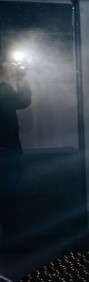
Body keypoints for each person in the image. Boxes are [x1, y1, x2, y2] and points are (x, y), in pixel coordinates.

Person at [0, 58, 31, 252]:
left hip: (11, 149)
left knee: (9, 197)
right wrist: (5, 75)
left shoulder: (5, 87)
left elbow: (23, 102)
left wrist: (21, 79)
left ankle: (11, 240)